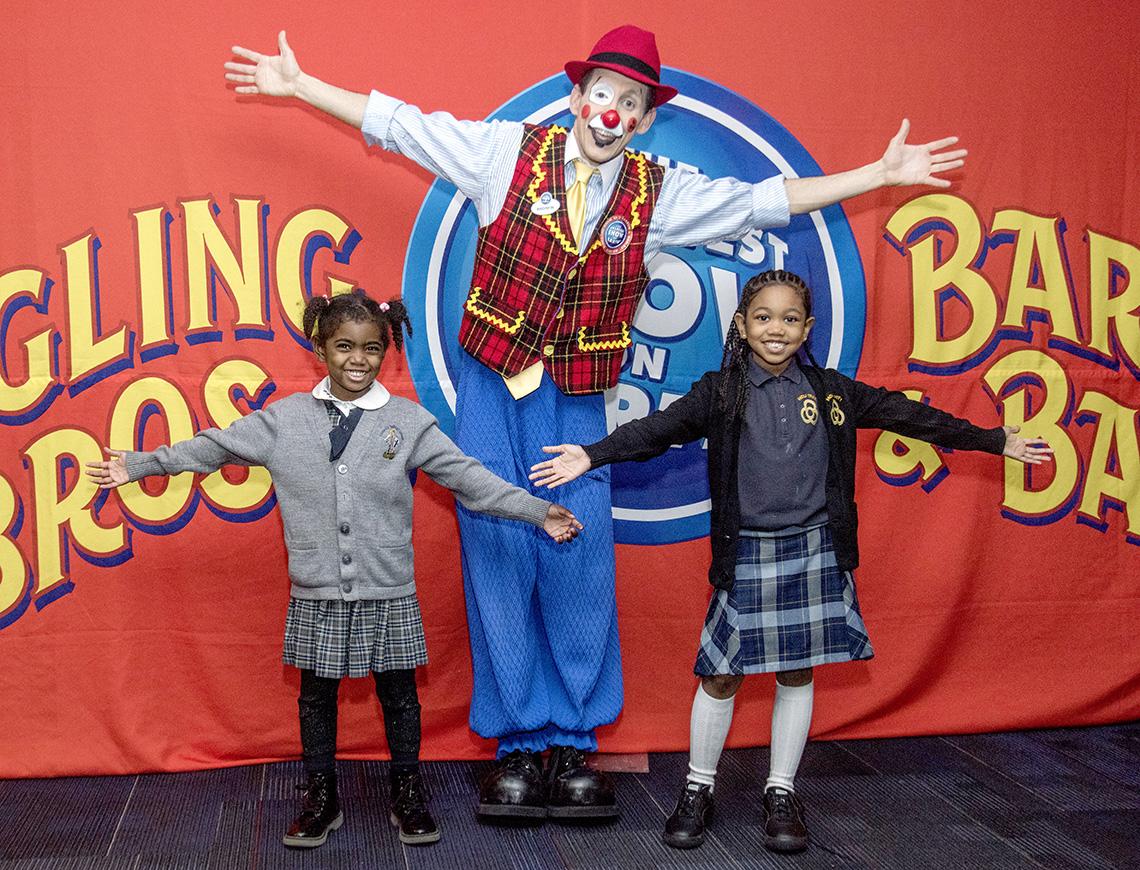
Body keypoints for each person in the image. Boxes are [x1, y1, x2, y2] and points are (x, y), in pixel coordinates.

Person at [224, 24, 968, 820]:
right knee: (499, 550)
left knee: (577, 558)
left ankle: (573, 740)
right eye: (603, 94)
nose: (613, 112)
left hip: (578, 399)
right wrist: (301, 87)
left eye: (631, 102)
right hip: (492, 388)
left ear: (645, 118)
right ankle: (518, 743)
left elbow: (764, 200)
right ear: (578, 98)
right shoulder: (506, 154)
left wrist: (877, 174)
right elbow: (401, 124)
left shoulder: (661, 193)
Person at [529, 269, 1052, 853]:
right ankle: (698, 788)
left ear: (806, 329)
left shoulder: (832, 392)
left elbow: (910, 416)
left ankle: (781, 791)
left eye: (788, 318)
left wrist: (994, 440)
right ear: (742, 325)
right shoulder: (719, 392)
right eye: (762, 317)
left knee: (798, 670)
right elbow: (657, 429)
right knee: (721, 674)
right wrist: (592, 454)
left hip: (814, 549)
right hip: (747, 550)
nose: (775, 329)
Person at [85, 290, 582, 849]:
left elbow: (471, 479)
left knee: (400, 696)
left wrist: (538, 511)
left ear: (385, 353)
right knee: (316, 698)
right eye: (344, 346)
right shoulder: (284, 420)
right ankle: (321, 796)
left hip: (388, 589)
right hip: (316, 590)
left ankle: (408, 791)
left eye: (372, 348)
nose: (358, 359)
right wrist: (142, 465)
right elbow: (213, 447)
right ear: (320, 348)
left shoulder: (407, 422)